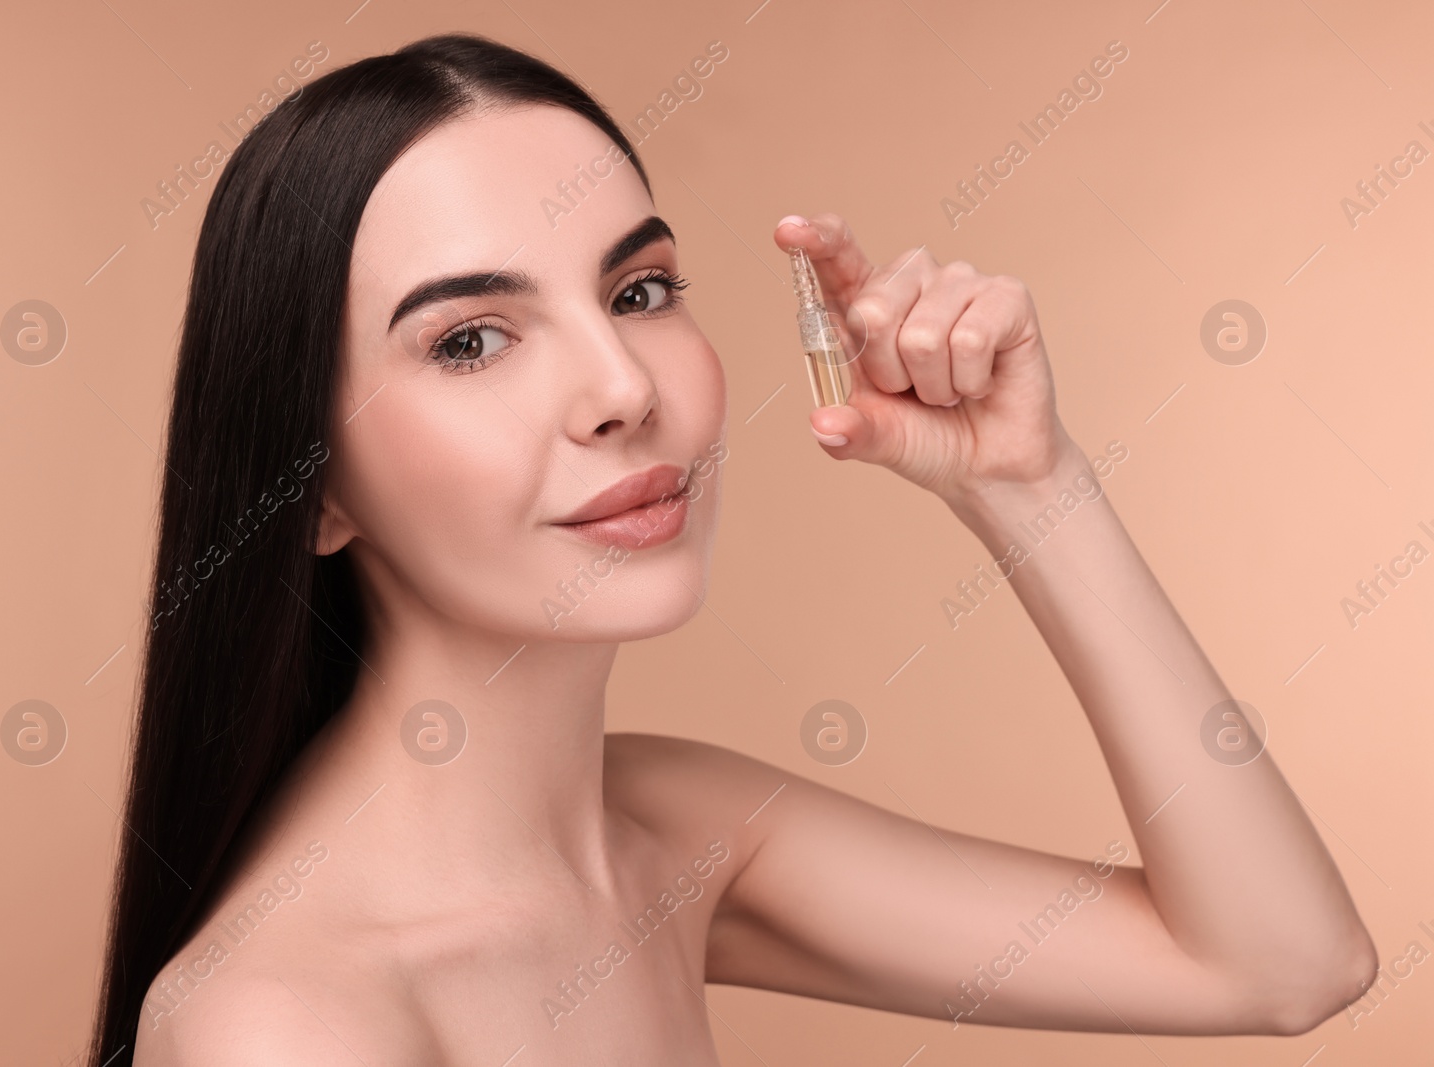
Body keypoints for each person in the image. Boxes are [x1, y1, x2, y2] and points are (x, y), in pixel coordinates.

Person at [89, 32, 1376, 1067]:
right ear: (312, 490)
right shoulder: (287, 1028)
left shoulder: (671, 831)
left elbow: (1281, 966)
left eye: (637, 291)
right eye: (469, 339)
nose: (619, 389)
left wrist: (1030, 486)